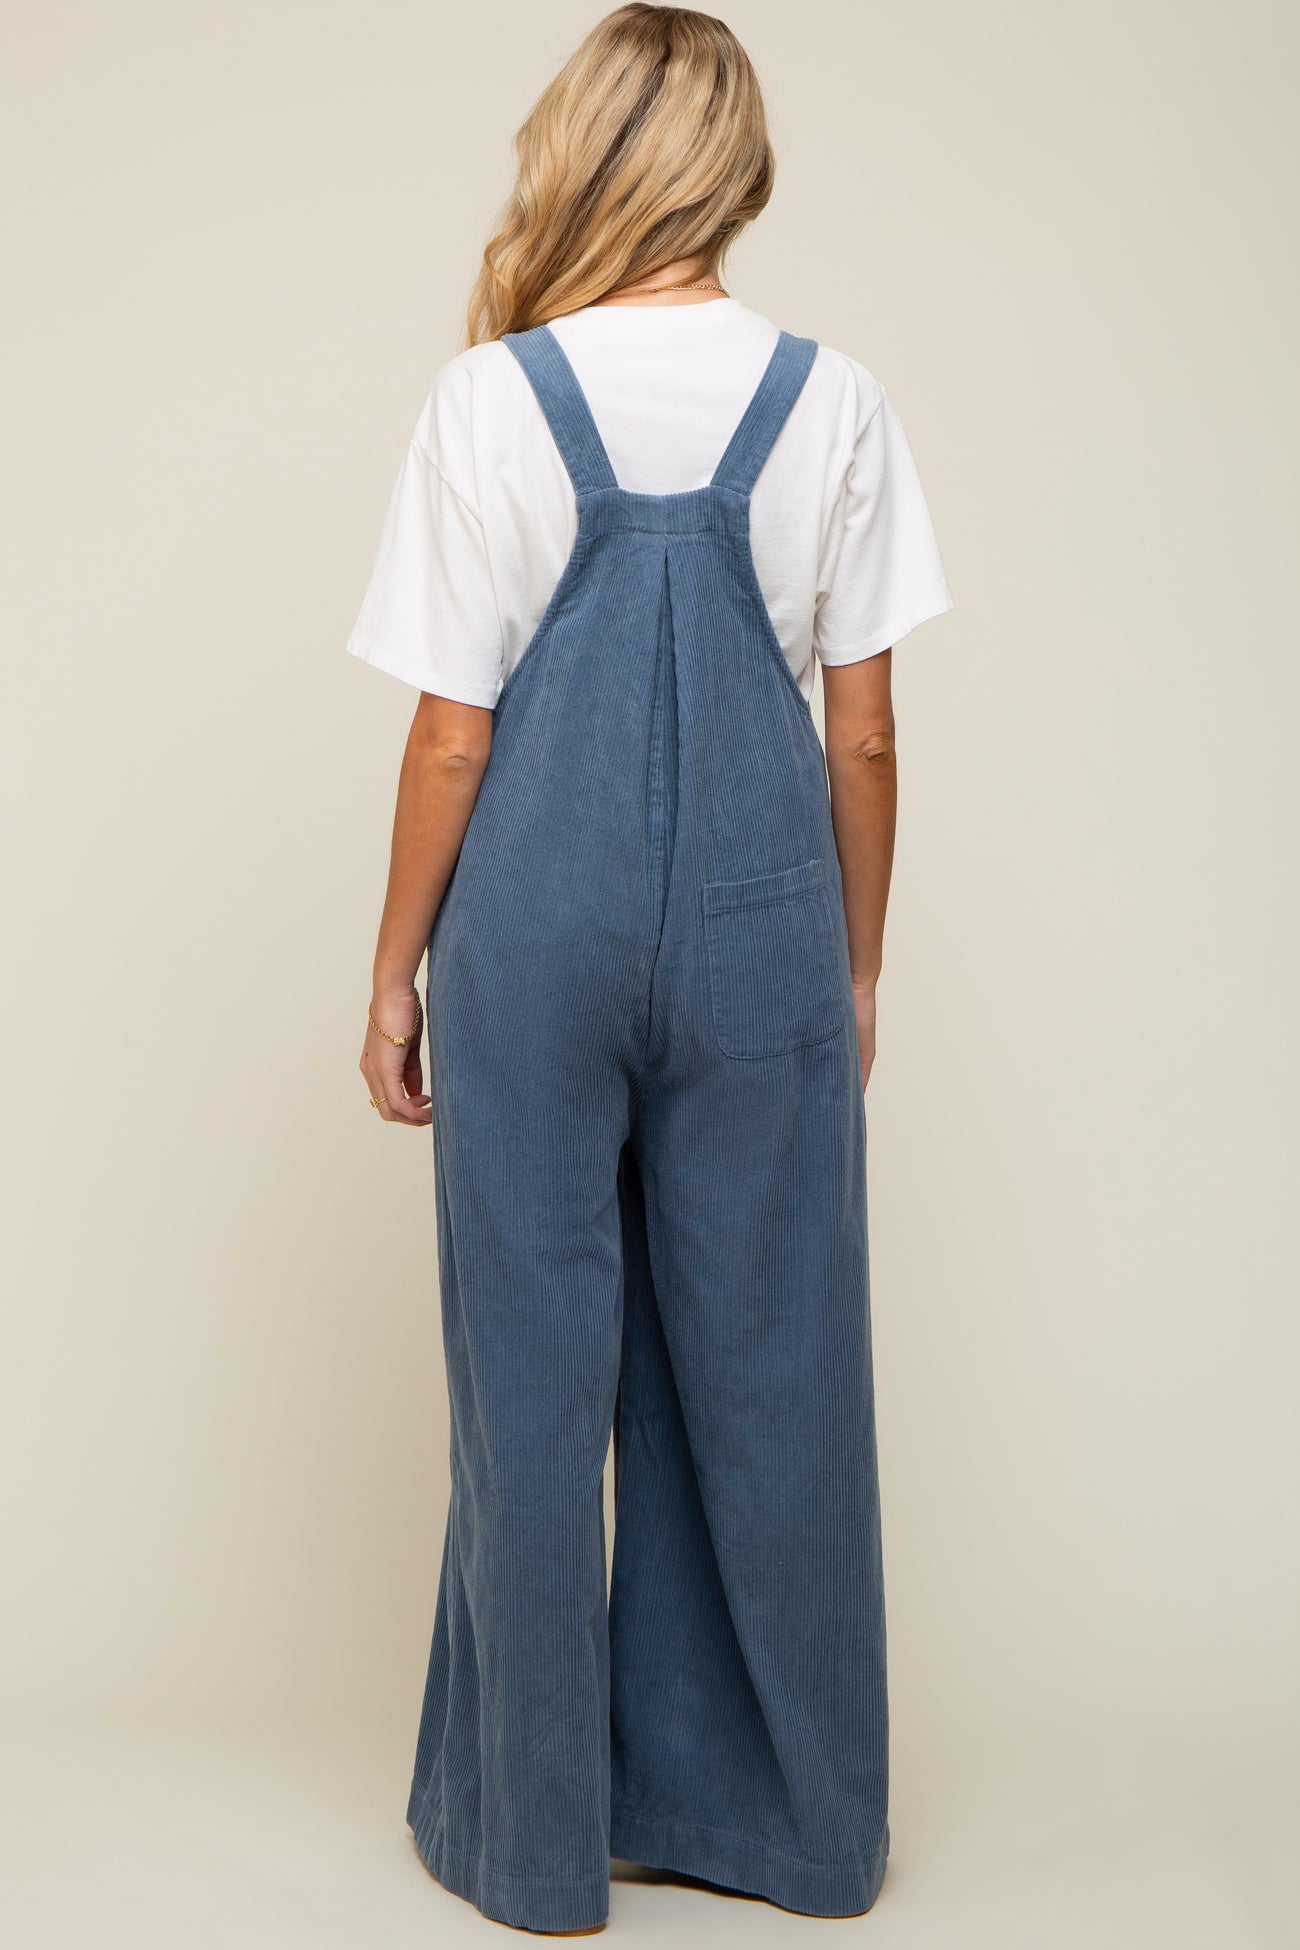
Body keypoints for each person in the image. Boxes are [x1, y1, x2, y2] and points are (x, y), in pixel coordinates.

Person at [345, 4, 954, 1934]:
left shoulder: (489, 399)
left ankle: (534, 1844)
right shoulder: (835, 401)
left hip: (532, 925)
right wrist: (856, 963)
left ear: (579, 150)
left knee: (528, 1376)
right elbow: (865, 731)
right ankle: (782, 1830)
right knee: (768, 1360)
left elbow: (453, 738)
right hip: (769, 926)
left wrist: (393, 973)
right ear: (738, 169)